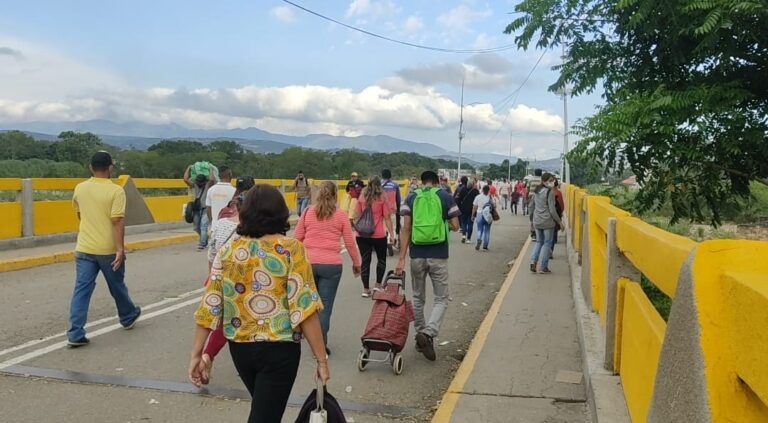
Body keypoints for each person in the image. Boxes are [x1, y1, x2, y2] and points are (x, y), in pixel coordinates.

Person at [189, 184, 329, 423]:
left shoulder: (229, 251)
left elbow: (210, 305)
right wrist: (321, 360)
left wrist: (197, 353)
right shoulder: (291, 250)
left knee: (265, 411)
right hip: (280, 349)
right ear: (281, 214)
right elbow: (304, 309)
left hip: (241, 349)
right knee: (265, 415)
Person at [67, 151, 141, 347]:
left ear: (91, 168)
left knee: (81, 290)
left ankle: (75, 332)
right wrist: (120, 249)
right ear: (110, 168)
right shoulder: (116, 191)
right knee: (116, 285)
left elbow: (80, 215)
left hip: (84, 248)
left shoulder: (80, 188)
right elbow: (116, 222)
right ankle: (127, 316)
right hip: (107, 250)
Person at [396, 170, 460, 361]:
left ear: (422, 182)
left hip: (417, 255)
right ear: (437, 181)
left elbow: (406, 228)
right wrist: (441, 226)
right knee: (441, 298)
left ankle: (420, 335)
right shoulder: (445, 196)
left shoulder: (411, 197)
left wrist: (401, 258)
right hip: (439, 255)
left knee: (418, 298)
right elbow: (455, 225)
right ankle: (429, 333)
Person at [295, 181, 362, 355]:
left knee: (312, 305)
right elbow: (350, 243)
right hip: (331, 265)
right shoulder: (340, 215)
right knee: (325, 306)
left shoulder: (308, 212)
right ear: (335, 195)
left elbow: (297, 239)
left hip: (309, 263)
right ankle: (321, 345)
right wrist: (356, 264)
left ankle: (314, 341)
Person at [198, 176, 255, 384]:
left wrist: (212, 277)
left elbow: (212, 253)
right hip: (239, 283)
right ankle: (211, 356)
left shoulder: (221, 223)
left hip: (217, 277)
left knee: (218, 321)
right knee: (240, 323)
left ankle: (205, 355)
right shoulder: (253, 230)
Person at [354, 176, 394, 297]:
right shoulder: (382, 197)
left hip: (362, 235)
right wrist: (392, 234)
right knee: (381, 259)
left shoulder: (362, 197)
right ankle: (377, 285)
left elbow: (357, 215)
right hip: (378, 235)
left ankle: (366, 289)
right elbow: (387, 217)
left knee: (365, 261)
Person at [529, 173, 564, 274]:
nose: (553, 182)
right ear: (546, 181)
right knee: (547, 243)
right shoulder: (550, 193)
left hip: (537, 221)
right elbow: (552, 210)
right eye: (551, 180)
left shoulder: (537, 191)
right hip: (547, 222)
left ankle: (533, 261)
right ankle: (543, 267)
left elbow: (531, 206)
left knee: (539, 242)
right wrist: (559, 222)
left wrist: (531, 220)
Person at [184, 163, 216, 250]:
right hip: (196, 208)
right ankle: (204, 239)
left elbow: (212, 179)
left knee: (203, 226)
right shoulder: (194, 185)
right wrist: (189, 168)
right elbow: (185, 179)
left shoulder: (208, 186)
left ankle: (202, 244)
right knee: (196, 227)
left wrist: (211, 169)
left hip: (206, 208)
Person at [205, 166, 236, 230]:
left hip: (214, 227)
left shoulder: (211, 190)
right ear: (230, 175)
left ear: (218, 176)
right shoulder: (234, 191)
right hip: (229, 228)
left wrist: (212, 223)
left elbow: (208, 209)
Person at [381, 170, 402, 254]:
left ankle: (384, 241)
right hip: (392, 209)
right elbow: (398, 199)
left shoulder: (379, 185)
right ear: (390, 176)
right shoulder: (395, 185)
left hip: (381, 209)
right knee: (392, 226)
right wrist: (398, 209)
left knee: (383, 227)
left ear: (382, 176)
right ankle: (390, 240)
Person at [472, 185, 495, 252]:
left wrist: (473, 215)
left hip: (479, 213)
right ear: (488, 190)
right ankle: (485, 246)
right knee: (487, 231)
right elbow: (494, 206)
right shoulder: (490, 197)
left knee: (479, 229)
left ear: (482, 190)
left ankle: (479, 239)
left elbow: (474, 207)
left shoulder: (478, 197)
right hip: (487, 215)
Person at [550, 179, 565, 257]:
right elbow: (562, 205)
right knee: (554, 230)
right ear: (557, 185)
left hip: (548, 216)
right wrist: (561, 213)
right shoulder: (559, 193)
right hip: (556, 214)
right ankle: (551, 248)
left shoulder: (548, 192)